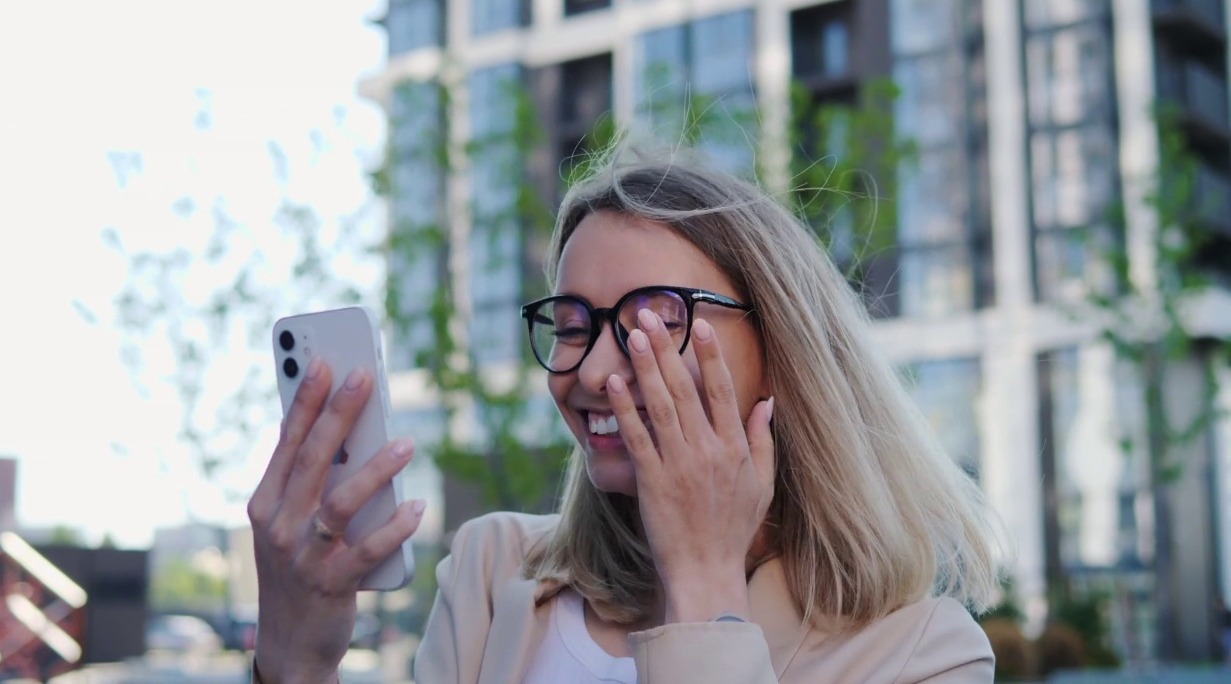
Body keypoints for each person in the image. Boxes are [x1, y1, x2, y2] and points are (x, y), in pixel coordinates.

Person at [246, 143, 1001, 683]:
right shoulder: (492, 571)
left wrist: (704, 586)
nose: (596, 370)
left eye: (652, 320)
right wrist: (297, 663)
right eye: (572, 324)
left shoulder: (924, 655)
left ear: (783, 351)